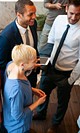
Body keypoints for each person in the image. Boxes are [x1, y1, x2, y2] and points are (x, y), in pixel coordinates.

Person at [34, 0, 80, 132]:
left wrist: (70, 80)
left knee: (62, 101)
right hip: (51, 67)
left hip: (67, 72)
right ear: (66, 9)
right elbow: (50, 42)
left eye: (78, 14)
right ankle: (41, 113)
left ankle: (55, 124)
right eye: (71, 13)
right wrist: (43, 65)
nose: (74, 18)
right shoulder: (59, 19)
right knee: (43, 91)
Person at [0, 0, 40, 132]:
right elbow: (1, 64)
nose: (34, 17)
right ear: (18, 15)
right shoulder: (6, 36)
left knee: (26, 104)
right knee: (13, 112)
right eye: (30, 14)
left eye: (35, 13)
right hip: (15, 82)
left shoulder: (32, 24)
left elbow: (33, 48)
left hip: (29, 77)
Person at [3, 44, 46, 133]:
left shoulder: (12, 65)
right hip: (18, 127)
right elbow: (18, 116)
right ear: (23, 64)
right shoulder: (17, 89)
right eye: (34, 62)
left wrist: (32, 89)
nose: (36, 64)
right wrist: (38, 102)